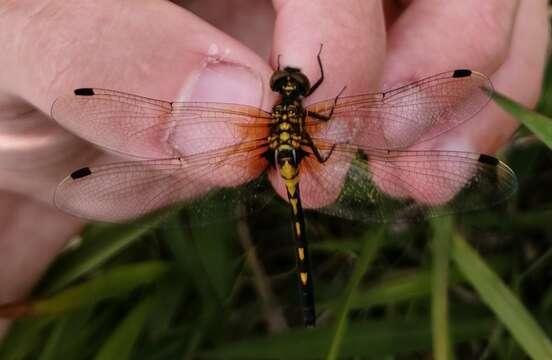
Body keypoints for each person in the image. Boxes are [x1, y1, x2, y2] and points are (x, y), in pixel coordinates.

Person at [0, 0, 548, 335]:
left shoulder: (273, 120)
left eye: (291, 85)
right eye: (289, 85)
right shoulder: (313, 118)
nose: (289, 86)